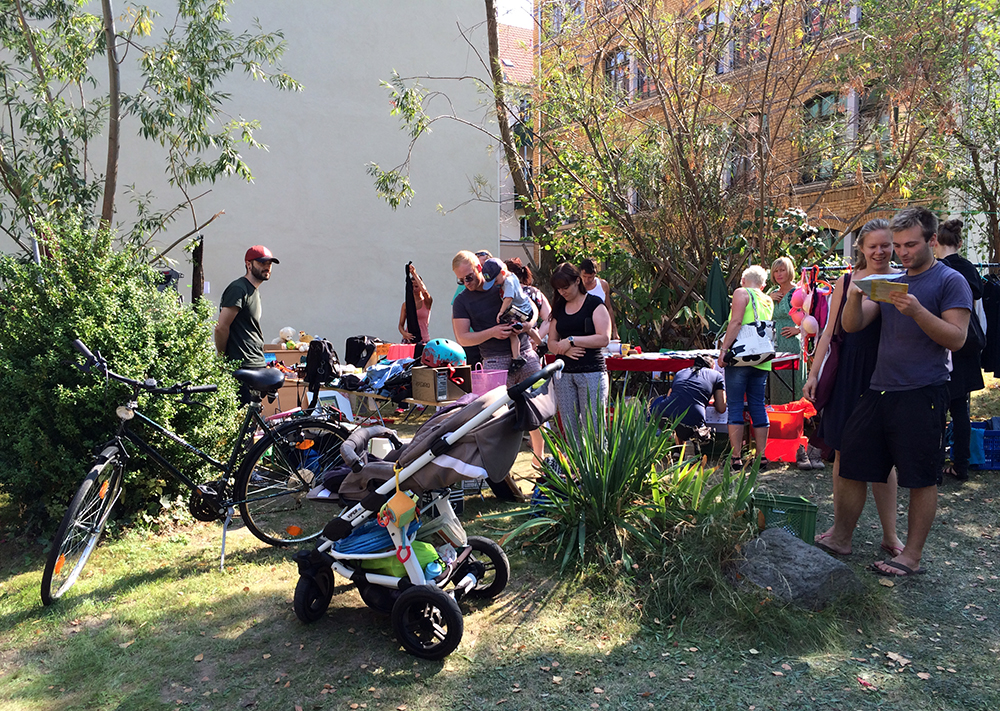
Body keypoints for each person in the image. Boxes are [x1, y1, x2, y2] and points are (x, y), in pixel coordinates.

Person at [835, 206, 972, 577]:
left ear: (931, 240)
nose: (902, 252)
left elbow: (957, 340)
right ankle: (841, 537)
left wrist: (917, 312)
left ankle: (910, 556)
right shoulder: (894, 280)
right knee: (851, 462)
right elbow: (854, 324)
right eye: (897, 246)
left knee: (919, 476)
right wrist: (852, 294)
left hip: (923, 390)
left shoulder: (950, 280)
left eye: (910, 244)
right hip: (880, 388)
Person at [804, 219, 903, 557]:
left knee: (884, 456)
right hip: (848, 372)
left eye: (886, 245)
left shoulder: (902, 280)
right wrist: (814, 373)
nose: (880, 251)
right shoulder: (845, 281)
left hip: (883, 372)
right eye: (873, 245)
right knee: (843, 453)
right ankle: (840, 526)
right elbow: (829, 333)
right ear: (861, 247)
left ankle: (890, 535)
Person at [935, 218, 986, 482]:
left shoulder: (938, 269)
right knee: (960, 410)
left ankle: (935, 468)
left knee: (937, 409)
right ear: (959, 242)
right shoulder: (969, 269)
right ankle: (961, 466)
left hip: (942, 344)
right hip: (966, 344)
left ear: (935, 242)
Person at [451, 250, 540, 385]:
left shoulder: (501, 281)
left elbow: (531, 306)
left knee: (536, 403)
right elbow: (462, 338)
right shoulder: (461, 301)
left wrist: (529, 324)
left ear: (479, 268)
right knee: (498, 406)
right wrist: (492, 332)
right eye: (461, 280)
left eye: (469, 277)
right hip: (494, 360)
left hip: (525, 353)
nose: (466, 283)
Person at [549, 262, 612, 443]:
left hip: (591, 372)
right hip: (564, 374)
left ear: (577, 281)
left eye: (565, 287)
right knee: (570, 428)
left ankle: (598, 468)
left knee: (594, 427)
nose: (562, 292)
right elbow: (552, 342)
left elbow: (603, 338)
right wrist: (564, 350)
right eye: (558, 289)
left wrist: (571, 340)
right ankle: (574, 467)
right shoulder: (559, 308)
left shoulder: (594, 304)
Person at [717, 265, 773, 469]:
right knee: (758, 404)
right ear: (763, 284)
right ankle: (762, 455)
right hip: (762, 358)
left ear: (742, 280)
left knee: (735, 405)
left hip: (740, 357)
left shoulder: (741, 293)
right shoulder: (767, 299)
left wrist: (723, 350)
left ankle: (736, 457)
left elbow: (736, 322)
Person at [214, 245, 279, 404]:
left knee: (252, 418)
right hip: (241, 365)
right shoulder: (238, 289)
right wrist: (222, 359)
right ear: (249, 264)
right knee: (239, 421)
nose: (267, 267)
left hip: (256, 363)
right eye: (262, 263)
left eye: (269, 264)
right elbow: (221, 327)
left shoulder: (254, 291)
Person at [650, 355, 726, 445]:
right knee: (691, 427)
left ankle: (677, 452)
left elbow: (670, 395)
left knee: (677, 421)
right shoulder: (717, 375)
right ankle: (690, 452)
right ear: (713, 367)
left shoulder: (681, 372)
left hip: (661, 413)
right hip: (692, 418)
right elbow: (721, 407)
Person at [480, 258, 537, 372]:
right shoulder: (512, 277)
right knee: (527, 329)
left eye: (495, 282)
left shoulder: (508, 282)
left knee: (512, 333)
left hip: (519, 311)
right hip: (526, 308)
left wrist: (501, 312)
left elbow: (508, 298)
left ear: (502, 273)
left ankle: (517, 358)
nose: (495, 285)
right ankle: (541, 343)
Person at [769, 256, 807, 403]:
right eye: (776, 271)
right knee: (777, 381)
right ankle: (778, 414)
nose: (778, 274)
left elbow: (812, 315)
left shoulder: (798, 292)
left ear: (789, 271)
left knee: (794, 380)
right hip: (774, 343)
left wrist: (798, 329)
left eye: (782, 270)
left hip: (792, 343)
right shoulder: (772, 292)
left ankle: (799, 415)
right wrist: (769, 298)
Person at [579, 258, 619, 340]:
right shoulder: (576, 286)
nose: (586, 280)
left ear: (595, 273)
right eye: (584, 276)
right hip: (580, 329)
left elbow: (609, 308)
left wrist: (614, 330)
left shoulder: (603, 285)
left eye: (590, 277)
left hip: (600, 328)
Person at [398, 264, 432, 344]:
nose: (414, 289)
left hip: (423, 339)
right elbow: (400, 325)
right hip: (409, 340)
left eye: (416, 286)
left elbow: (425, 292)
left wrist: (414, 274)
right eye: (412, 286)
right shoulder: (406, 305)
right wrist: (404, 334)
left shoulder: (427, 301)